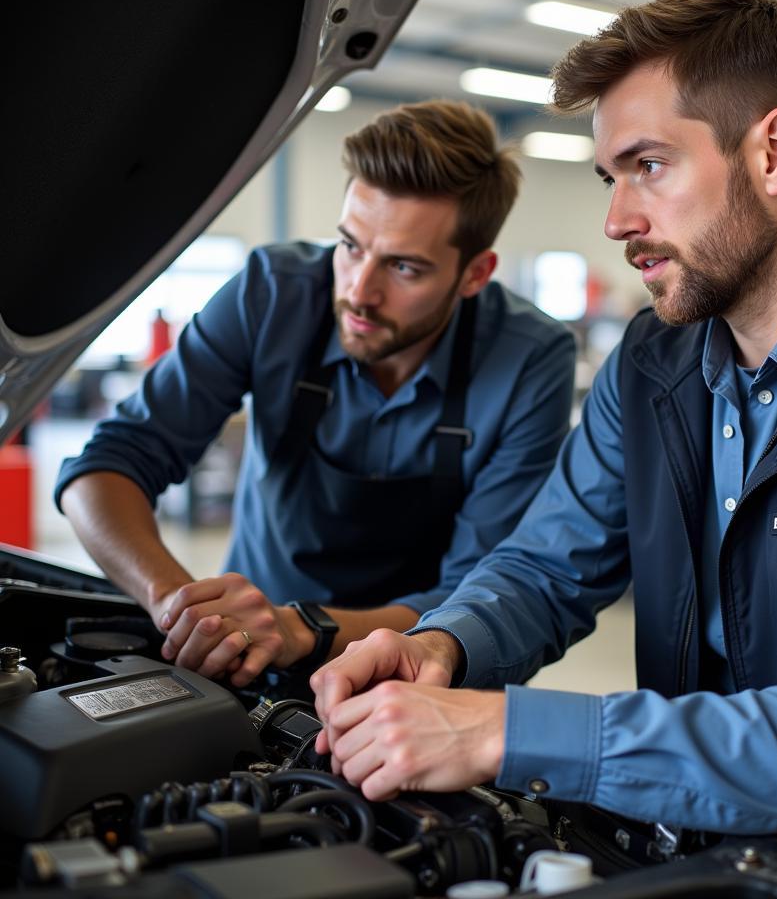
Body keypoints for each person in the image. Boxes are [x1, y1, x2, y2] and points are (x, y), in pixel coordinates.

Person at [309, 0, 777, 895]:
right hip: (711, 863)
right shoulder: (653, 363)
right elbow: (545, 569)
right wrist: (445, 646)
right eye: (612, 178)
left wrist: (499, 730)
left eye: (648, 165)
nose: (616, 220)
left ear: (774, 152)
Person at [56, 100, 576, 690]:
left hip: (415, 680)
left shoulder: (530, 359)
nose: (359, 291)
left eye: (404, 268)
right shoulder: (271, 293)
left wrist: (304, 627)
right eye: (350, 246)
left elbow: (484, 592)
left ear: (476, 274)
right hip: (246, 660)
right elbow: (106, 466)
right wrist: (182, 608)